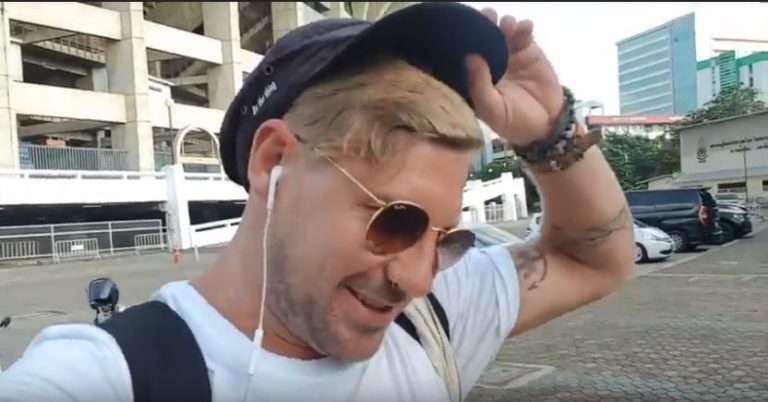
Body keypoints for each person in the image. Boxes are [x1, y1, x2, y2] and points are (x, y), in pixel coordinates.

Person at [0, 3, 635, 402]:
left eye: (445, 240)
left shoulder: (430, 323)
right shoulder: (108, 377)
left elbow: (597, 259)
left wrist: (550, 134)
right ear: (273, 163)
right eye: (396, 221)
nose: (417, 279)